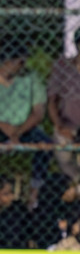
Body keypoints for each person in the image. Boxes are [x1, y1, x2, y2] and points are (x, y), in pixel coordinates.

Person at [0, 42, 50, 179]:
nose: (24, 66)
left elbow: (38, 113)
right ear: (8, 62)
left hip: (25, 127)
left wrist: (18, 132)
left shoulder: (32, 77)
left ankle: (36, 192)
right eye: (20, 62)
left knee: (45, 146)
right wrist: (6, 128)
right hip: (2, 126)